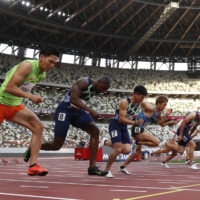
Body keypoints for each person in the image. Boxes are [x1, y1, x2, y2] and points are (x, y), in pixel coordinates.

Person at [23, 76, 111, 176]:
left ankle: (92, 167)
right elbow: (73, 99)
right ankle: (33, 148)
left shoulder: (96, 89)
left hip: (77, 112)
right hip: (65, 111)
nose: (102, 91)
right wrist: (90, 110)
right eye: (103, 88)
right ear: (98, 82)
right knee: (56, 145)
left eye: (105, 90)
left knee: (95, 131)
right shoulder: (84, 82)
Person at [0, 47, 59, 176]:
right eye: (50, 61)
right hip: (1, 103)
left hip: (14, 106)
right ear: (41, 56)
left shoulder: (42, 74)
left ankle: (33, 166)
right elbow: (10, 87)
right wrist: (31, 97)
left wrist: (31, 96)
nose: (52, 65)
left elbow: (23, 88)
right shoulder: (27, 65)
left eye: (55, 63)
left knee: (38, 127)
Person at [99, 85, 148, 178]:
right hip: (115, 125)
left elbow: (150, 108)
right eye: (141, 97)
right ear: (136, 94)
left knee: (126, 151)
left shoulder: (139, 103)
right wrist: (135, 122)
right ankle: (106, 170)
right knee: (117, 149)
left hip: (124, 127)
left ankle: (105, 141)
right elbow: (121, 119)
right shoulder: (124, 102)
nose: (142, 99)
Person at [118, 95, 172, 173]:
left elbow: (161, 123)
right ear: (158, 104)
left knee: (137, 153)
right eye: (164, 105)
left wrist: (166, 115)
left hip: (141, 130)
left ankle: (122, 167)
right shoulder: (151, 108)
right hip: (137, 128)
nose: (164, 107)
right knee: (157, 142)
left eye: (165, 105)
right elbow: (142, 103)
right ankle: (137, 142)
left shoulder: (158, 113)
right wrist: (131, 100)